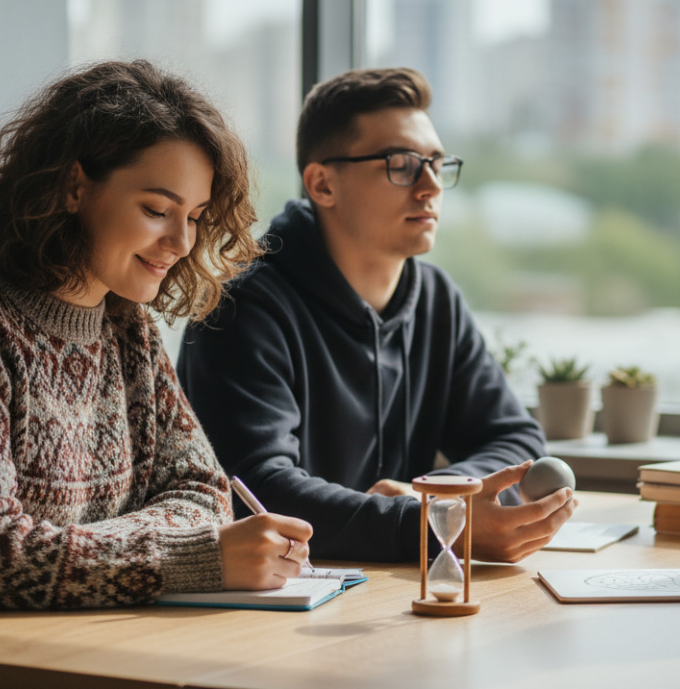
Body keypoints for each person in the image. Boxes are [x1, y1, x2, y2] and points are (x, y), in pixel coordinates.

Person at [0, 60, 313, 620]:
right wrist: (189, 556)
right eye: (157, 209)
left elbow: (204, 494)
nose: (181, 242)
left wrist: (73, 551)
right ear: (74, 187)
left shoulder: (130, 330)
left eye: (194, 217)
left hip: (98, 640)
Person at [177, 67, 575, 563]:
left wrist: (436, 497)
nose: (431, 186)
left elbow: (515, 439)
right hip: (281, 596)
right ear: (322, 184)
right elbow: (257, 490)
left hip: (388, 592)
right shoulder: (240, 308)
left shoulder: (435, 300)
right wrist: (426, 523)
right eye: (402, 165)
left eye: (437, 164)